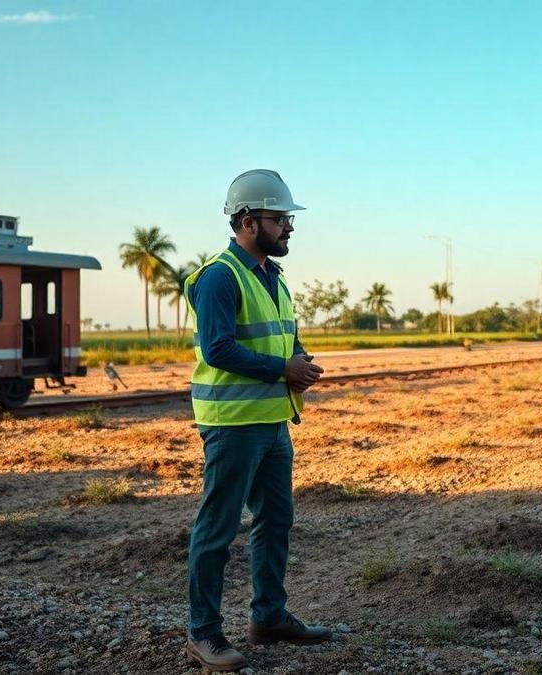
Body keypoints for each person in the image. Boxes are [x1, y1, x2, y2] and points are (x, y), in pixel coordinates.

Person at [182, 169, 332, 671]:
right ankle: (203, 633)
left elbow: (281, 335)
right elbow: (219, 347)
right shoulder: (220, 276)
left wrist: (300, 360)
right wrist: (280, 368)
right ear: (248, 222)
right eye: (280, 218)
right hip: (233, 423)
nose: (289, 227)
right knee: (218, 528)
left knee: (276, 519)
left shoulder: (272, 275)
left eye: (288, 218)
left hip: (271, 420)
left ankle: (268, 618)